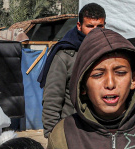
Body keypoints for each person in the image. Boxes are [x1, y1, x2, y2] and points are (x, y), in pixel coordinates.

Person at [39, 3, 106, 137]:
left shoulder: (108, 51)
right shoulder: (66, 56)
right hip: (73, 131)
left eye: (99, 26)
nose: (95, 31)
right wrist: (52, 135)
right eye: (90, 26)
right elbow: (52, 99)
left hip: (101, 131)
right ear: (79, 26)